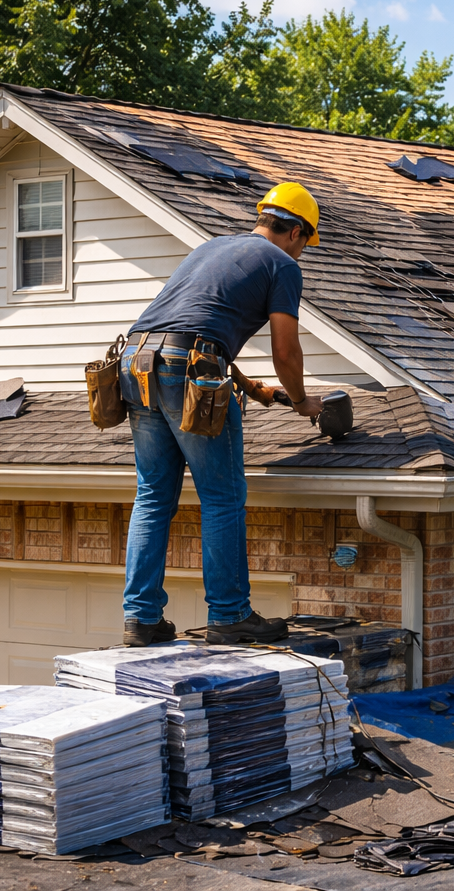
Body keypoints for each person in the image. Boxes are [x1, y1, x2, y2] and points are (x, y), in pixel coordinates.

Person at [116, 182, 324, 647]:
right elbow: (286, 352)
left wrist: (252, 389)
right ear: (294, 231)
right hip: (187, 368)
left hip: (135, 362)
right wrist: (302, 399)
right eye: (305, 243)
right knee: (222, 496)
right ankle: (230, 615)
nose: (303, 252)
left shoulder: (213, 247)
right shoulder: (282, 265)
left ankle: (141, 619)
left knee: (152, 496)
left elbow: (191, 325)